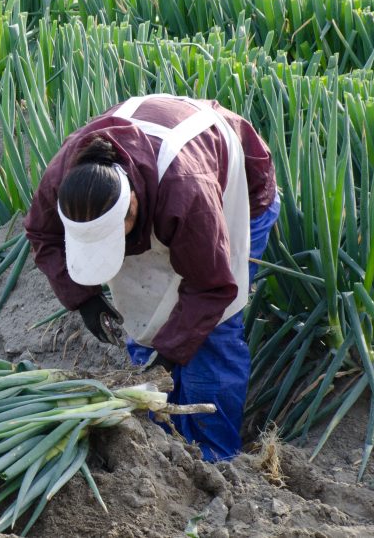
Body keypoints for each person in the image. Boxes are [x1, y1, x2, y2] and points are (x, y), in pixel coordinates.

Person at [25, 94, 281, 462]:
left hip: (229, 192)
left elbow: (212, 288)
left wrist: (167, 357)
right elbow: (43, 235)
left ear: (131, 208)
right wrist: (84, 298)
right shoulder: (67, 179)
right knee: (147, 322)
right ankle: (162, 450)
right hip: (161, 193)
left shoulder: (186, 192)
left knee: (212, 334)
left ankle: (215, 459)